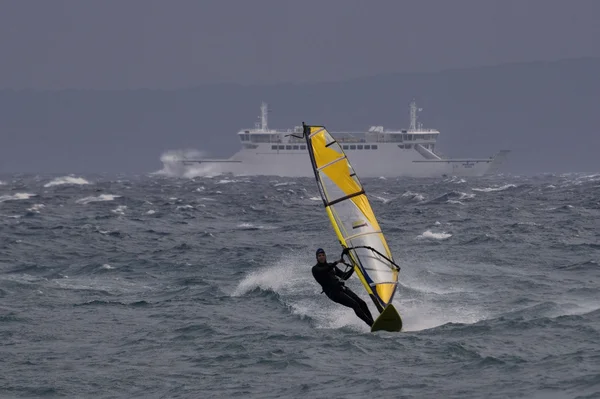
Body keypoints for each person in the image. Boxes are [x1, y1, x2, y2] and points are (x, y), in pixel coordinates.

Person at [311, 247, 374, 327]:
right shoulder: (315, 269)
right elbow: (325, 270)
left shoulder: (331, 265)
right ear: (317, 258)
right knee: (355, 305)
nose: (322, 257)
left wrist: (354, 268)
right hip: (333, 293)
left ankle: (373, 322)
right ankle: (371, 324)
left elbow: (344, 277)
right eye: (319, 255)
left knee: (362, 303)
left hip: (341, 288)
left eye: (323, 255)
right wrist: (337, 262)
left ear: (325, 256)